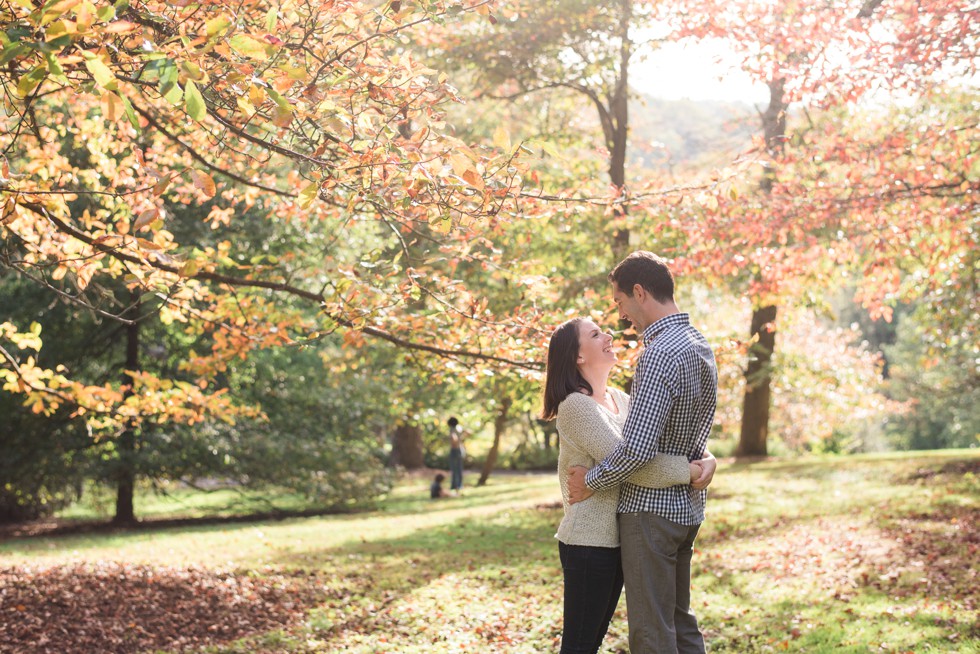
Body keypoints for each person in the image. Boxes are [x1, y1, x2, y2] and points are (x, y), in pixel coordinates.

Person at [567, 251, 718, 654]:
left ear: (639, 291)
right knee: (679, 622)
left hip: (650, 514)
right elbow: (693, 429)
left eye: (619, 303)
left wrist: (591, 482)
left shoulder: (658, 354)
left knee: (652, 632)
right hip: (688, 510)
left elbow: (636, 449)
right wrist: (706, 461)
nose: (620, 316)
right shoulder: (700, 345)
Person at [447, 416, 465, 493]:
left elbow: (454, 438)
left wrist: (455, 441)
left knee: (455, 469)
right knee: (459, 469)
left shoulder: (452, 429)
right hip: (460, 450)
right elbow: (468, 432)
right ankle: (458, 485)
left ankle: (456, 485)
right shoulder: (459, 429)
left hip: (455, 450)